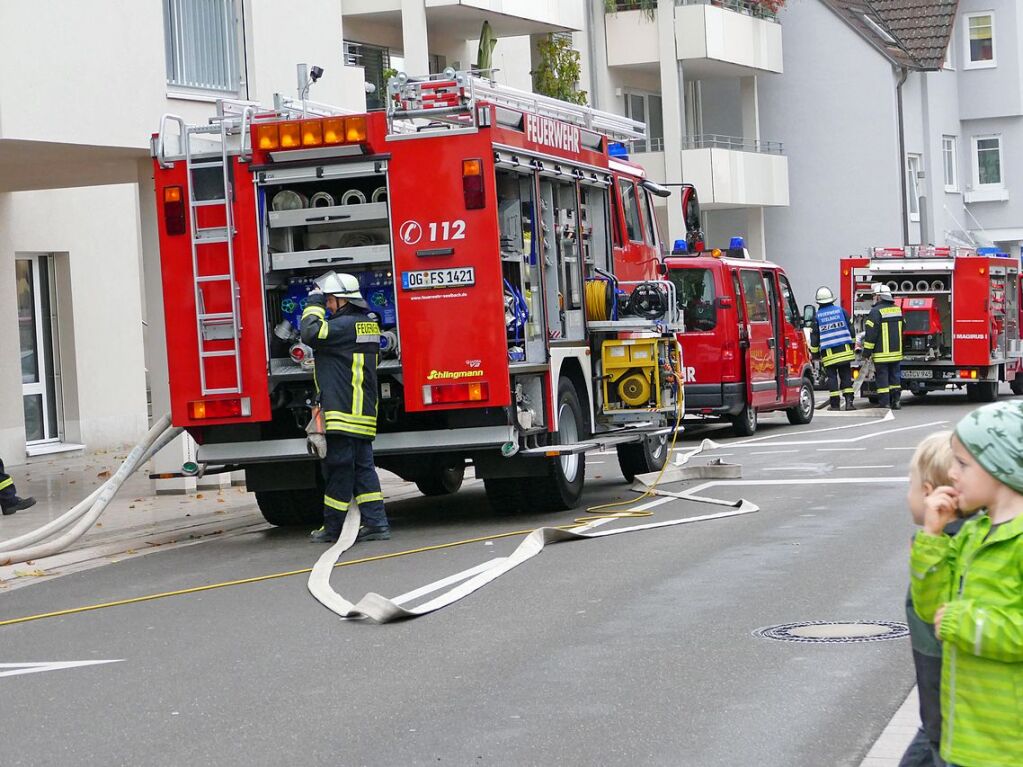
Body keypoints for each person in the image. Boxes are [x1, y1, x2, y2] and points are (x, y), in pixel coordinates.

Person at [910, 400, 1023, 767]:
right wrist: (932, 537)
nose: (953, 475)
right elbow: (931, 609)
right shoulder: (972, 534)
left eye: (962, 464)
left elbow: (952, 620)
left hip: (1007, 746)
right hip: (964, 738)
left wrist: (966, 624)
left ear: (998, 465)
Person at [300, 271, 390, 544]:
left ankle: (333, 528)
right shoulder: (366, 325)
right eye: (324, 300)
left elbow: (310, 333)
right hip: (361, 412)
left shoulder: (343, 326)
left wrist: (312, 301)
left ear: (342, 300)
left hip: (342, 412)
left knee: (339, 469)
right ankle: (377, 523)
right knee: (363, 468)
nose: (327, 305)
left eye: (329, 300)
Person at [899, 431, 958, 767]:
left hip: (949, 713)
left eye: (910, 484)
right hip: (938, 711)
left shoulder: (955, 548)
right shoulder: (936, 543)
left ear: (927, 493)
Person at [808, 286, 856, 411]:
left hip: (829, 354)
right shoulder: (841, 311)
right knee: (846, 376)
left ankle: (835, 405)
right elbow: (851, 330)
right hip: (845, 351)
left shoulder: (817, 316)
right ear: (832, 300)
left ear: (818, 302)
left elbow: (814, 339)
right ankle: (849, 403)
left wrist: (815, 356)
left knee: (832, 378)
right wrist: (852, 345)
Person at [862, 283, 904, 409]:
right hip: (896, 353)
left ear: (880, 297)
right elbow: (904, 327)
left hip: (881, 354)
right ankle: (896, 402)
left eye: (875, 296)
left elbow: (871, 335)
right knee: (895, 379)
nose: (874, 298)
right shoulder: (897, 309)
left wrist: (866, 353)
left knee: (883, 380)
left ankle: (885, 403)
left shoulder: (875, 312)